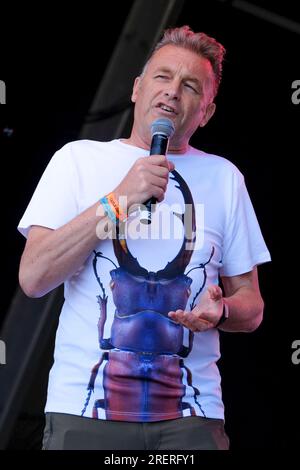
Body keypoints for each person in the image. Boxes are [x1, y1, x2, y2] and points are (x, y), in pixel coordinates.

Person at [17, 25, 271, 450]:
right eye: (162, 76)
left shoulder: (225, 178)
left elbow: (253, 306)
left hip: (190, 420)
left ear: (206, 112)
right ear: (137, 89)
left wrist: (223, 310)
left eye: (190, 85)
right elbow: (35, 277)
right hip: (85, 413)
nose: (172, 91)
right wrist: (119, 201)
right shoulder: (77, 160)